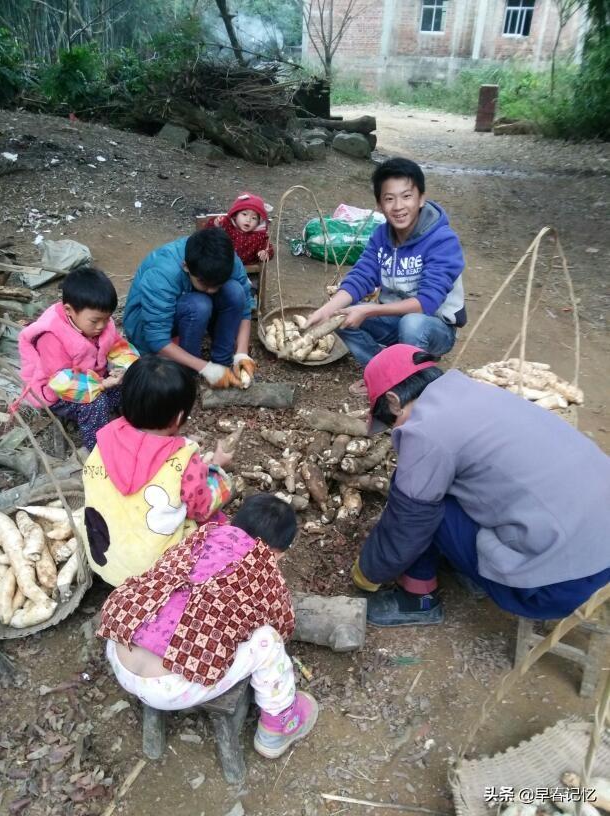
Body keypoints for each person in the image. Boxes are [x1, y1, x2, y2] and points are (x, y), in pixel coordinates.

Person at [351, 344, 610, 627]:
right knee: (436, 486)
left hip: (555, 586)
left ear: (393, 400)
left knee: (421, 507)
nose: (397, 428)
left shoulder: (427, 430)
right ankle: (467, 563)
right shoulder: (480, 392)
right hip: (599, 551)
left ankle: (418, 599)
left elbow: (407, 524)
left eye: (391, 421)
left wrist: (368, 572)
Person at [97, 494, 318, 759]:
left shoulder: (200, 538)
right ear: (279, 552)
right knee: (268, 640)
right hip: (169, 688)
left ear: (235, 523)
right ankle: (278, 725)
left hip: (119, 651)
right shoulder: (264, 568)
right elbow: (282, 623)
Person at [306, 158, 466, 393]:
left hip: (434, 327)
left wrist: (369, 310)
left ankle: (409, 384)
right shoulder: (381, 236)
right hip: (395, 321)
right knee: (340, 316)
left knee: (412, 324)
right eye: (389, 199)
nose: (398, 206)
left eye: (406, 196)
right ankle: (380, 372)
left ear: (421, 198)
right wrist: (326, 310)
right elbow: (361, 276)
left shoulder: (442, 240)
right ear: (380, 205)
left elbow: (426, 303)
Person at [82, 355, 233, 587]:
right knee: (218, 521)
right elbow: (201, 508)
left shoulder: (105, 438)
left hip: (105, 560)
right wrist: (217, 469)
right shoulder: (183, 459)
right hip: (151, 574)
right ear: (181, 416)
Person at [18, 266, 138, 451]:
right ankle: (99, 449)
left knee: (132, 381)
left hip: (93, 378)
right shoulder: (51, 337)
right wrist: (101, 385)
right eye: (95, 321)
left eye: (106, 319)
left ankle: (134, 423)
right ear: (69, 310)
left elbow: (117, 345)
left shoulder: (99, 321)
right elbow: (60, 381)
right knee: (96, 404)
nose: (101, 326)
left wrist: (127, 368)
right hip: (59, 391)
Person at [123, 229, 256, 389]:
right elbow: (157, 337)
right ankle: (188, 372)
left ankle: (223, 362)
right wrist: (205, 368)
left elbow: (244, 309)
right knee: (199, 305)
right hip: (145, 324)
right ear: (186, 267)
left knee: (234, 292)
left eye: (217, 285)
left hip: (188, 307)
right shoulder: (163, 273)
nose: (212, 291)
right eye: (205, 284)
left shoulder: (228, 261)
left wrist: (242, 354)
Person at [205, 192, 274, 268]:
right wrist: (216, 223)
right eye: (244, 214)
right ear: (235, 215)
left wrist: (265, 253)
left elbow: (269, 248)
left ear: (258, 222)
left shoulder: (259, 236)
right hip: (221, 266)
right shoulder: (227, 225)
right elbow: (208, 233)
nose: (248, 220)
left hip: (246, 271)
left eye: (254, 218)